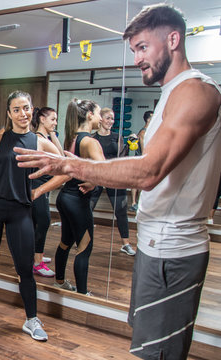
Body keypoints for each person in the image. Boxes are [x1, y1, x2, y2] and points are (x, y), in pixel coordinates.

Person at [15, 4, 221, 359]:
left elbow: (148, 172)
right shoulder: (171, 94)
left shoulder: (195, 92)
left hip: (175, 248)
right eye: (134, 50)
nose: (137, 58)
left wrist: (70, 165)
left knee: (159, 353)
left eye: (143, 47)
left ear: (173, 39)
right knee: (144, 344)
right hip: (155, 243)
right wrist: (70, 164)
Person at [0, 91, 66, 341]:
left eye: (27, 108)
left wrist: (39, 191)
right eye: (17, 109)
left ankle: (31, 320)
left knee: (25, 268)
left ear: (32, 110)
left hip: (20, 210)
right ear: (9, 113)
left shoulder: (39, 142)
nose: (23, 113)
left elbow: (65, 170)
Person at [51, 99, 103, 296]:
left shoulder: (71, 139)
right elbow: (104, 171)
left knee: (66, 241)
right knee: (84, 246)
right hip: (78, 200)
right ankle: (82, 294)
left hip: (65, 197)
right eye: (98, 113)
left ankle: (60, 282)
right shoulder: (90, 141)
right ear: (89, 115)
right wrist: (95, 182)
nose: (99, 118)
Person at [90, 107, 136, 256]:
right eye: (108, 118)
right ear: (101, 119)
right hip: (96, 176)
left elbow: (121, 156)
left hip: (113, 176)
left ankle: (126, 244)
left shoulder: (117, 136)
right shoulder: (92, 139)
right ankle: (83, 241)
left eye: (112, 119)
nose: (111, 121)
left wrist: (129, 146)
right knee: (87, 209)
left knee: (121, 211)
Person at [30, 106, 64, 277]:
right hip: (36, 186)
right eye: (53, 119)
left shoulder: (45, 137)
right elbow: (61, 159)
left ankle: (38, 256)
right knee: (42, 222)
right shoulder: (38, 139)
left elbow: (61, 155)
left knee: (39, 223)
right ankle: (37, 263)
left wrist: (52, 133)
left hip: (43, 185)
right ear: (42, 119)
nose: (55, 123)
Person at [129, 110, 153, 212]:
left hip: (145, 160)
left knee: (141, 183)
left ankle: (138, 202)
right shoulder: (143, 132)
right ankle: (134, 202)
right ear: (148, 119)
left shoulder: (150, 132)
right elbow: (143, 150)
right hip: (140, 159)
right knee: (136, 182)